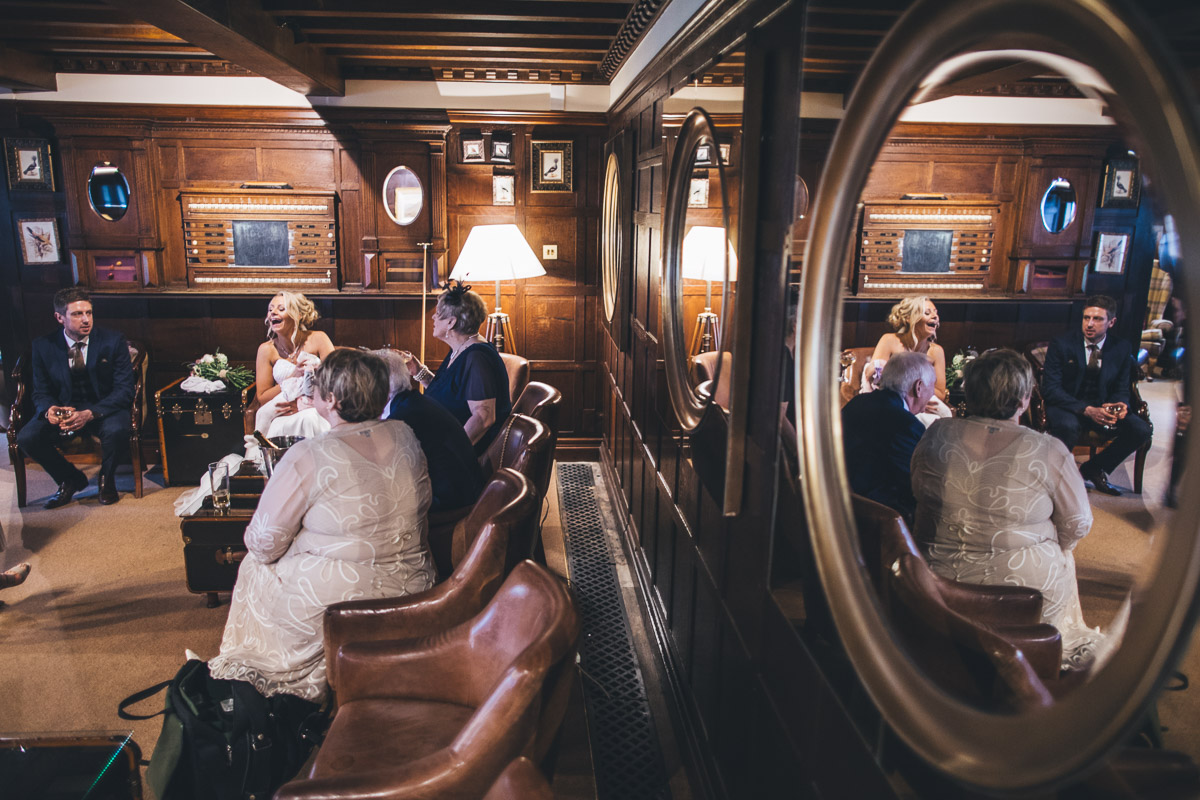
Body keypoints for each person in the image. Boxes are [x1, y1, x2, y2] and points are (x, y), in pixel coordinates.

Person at [208, 349, 436, 702]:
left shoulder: (308, 454)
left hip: (346, 599)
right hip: (417, 585)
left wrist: (301, 534)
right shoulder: (406, 433)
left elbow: (262, 543)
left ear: (330, 399)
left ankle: (278, 680)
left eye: (316, 389)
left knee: (254, 566)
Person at [911, 349, 1112, 671]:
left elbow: (917, 491)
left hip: (939, 580)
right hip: (1020, 591)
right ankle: (1045, 653)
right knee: (1064, 555)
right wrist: (1054, 545)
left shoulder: (936, 433)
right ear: (1024, 398)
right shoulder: (1049, 449)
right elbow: (1078, 522)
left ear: (970, 391)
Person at [17, 287, 134, 508]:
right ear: (59, 317)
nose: (85, 320)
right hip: (65, 409)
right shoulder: (43, 346)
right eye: (77, 314)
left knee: (117, 429)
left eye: (88, 313)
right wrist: (49, 410)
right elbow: (40, 391)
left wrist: (90, 413)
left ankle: (106, 480)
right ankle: (69, 478)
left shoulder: (113, 341)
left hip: (103, 408)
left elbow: (125, 390)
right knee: (27, 437)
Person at [1041, 294, 1153, 496]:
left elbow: (1121, 387)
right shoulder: (1062, 344)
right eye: (1086, 318)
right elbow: (1051, 389)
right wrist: (1086, 410)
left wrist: (1120, 405)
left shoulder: (1121, 348)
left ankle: (1094, 468)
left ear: (1111, 322)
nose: (1090, 324)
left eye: (1097, 319)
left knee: (1142, 429)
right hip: (1068, 405)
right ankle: (1057, 479)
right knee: (1068, 426)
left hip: (1102, 405)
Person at [404, 281, 512, 454]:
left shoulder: (477, 357)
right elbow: (449, 394)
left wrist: (446, 453)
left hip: (468, 453)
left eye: (438, 314)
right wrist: (419, 372)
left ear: (451, 322)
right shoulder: (460, 348)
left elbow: (484, 418)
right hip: (445, 437)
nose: (432, 318)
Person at [375, 348, 485, 513]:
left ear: (381, 386)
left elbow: (387, 470)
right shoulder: (413, 401)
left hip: (453, 504)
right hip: (463, 491)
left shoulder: (402, 418)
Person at [842, 351, 936, 522]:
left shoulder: (858, 402)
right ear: (919, 387)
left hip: (839, 501)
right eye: (932, 387)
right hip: (875, 518)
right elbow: (913, 485)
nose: (932, 395)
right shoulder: (906, 424)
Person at [253, 291, 335, 439]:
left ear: (298, 315)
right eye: (270, 309)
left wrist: (306, 405)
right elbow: (263, 398)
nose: (273, 313)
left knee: (310, 418)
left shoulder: (319, 339)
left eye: (281, 309)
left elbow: (337, 381)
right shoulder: (266, 350)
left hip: (317, 409)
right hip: (283, 414)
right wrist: (293, 376)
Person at [861, 296, 951, 425]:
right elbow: (873, 375)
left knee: (944, 414)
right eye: (927, 313)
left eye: (936, 312)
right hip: (891, 401)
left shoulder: (936, 351)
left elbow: (940, 393)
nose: (935, 316)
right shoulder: (889, 340)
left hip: (923, 402)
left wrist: (918, 399)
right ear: (909, 319)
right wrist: (909, 395)